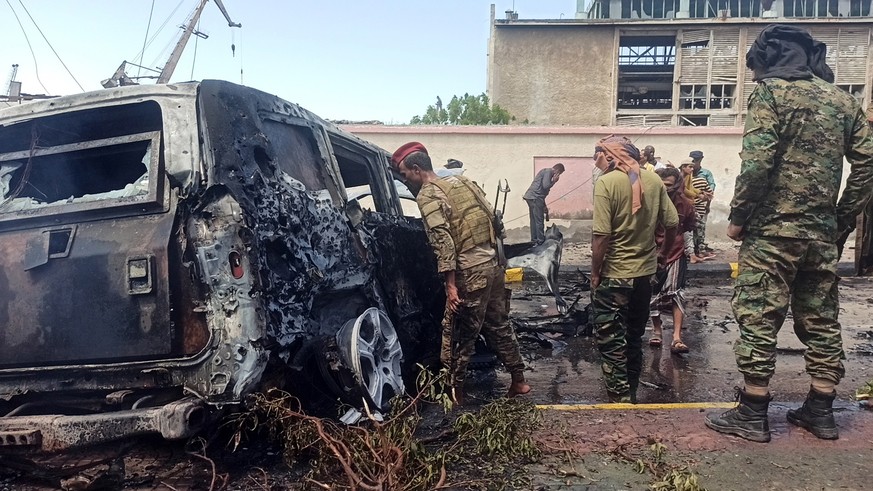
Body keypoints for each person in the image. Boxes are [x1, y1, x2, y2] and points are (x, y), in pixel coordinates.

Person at [704, 25, 873, 443]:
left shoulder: (771, 93)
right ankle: (821, 410)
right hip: (820, 234)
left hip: (772, 232)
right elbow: (868, 164)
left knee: (759, 315)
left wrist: (739, 216)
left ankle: (753, 413)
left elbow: (758, 162)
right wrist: (841, 219)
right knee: (820, 318)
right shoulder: (842, 100)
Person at [391, 142, 531, 405]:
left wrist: (451, 285)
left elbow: (442, 243)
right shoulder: (464, 182)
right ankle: (518, 380)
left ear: (417, 169)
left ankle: (456, 393)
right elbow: (494, 221)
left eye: (404, 173)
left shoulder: (428, 195)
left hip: (470, 272)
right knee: (499, 324)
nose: (404, 179)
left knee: (458, 332)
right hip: (494, 264)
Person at [590, 135, 679, 403]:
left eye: (599, 154)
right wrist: (662, 255)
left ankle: (619, 400)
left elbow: (602, 235)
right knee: (633, 336)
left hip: (614, 275)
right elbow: (672, 222)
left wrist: (595, 273)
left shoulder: (606, 182)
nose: (596, 160)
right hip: (644, 275)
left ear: (611, 156)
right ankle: (630, 393)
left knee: (611, 340)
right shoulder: (653, 180)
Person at [649, 166, 697, 355]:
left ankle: (677, 337)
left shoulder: (685, 205)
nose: (664, 189)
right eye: (661, 185)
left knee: (676, 293)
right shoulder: (648, 202)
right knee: (653, 293)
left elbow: (688, 229)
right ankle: (657, 331)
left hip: (675, 253)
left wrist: (691, 252)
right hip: (651, 253)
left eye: (668, 185)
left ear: (676, 185)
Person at [523, 163, 565, 244]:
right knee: (539, 220)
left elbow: (542, 191)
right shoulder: (548, 172)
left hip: (531, 197)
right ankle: (540, 241)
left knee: (534, 220)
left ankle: (534, 240)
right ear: (557, 171)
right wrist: (554, 181)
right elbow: (545, 186)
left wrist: (544, 205)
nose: (559, 176)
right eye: (560, 173)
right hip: (535, 198)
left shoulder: (545, 171)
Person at [679, 159, 711, 263]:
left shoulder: (688, 176)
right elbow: (683, 190)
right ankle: (692, 253)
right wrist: (698, 195)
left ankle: (695, 252)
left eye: (692, 167)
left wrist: (701, 192)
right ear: (683, 167)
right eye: (690, 167)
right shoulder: (679, 177)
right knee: (688, 230)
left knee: (694, 227)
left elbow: (691, 188)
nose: (692, 169)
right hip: (681, 207)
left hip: (689, 206)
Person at [689, 150, 716, 254]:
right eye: (692, 161)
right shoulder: (687, 172)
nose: (693, 163)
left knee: (701, 227)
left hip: (701, 206)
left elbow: (710, 192)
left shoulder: (706, 174)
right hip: (690, 206)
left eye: (695, 161)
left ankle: (700, 247)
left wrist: (707, 205)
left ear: (700, 160)